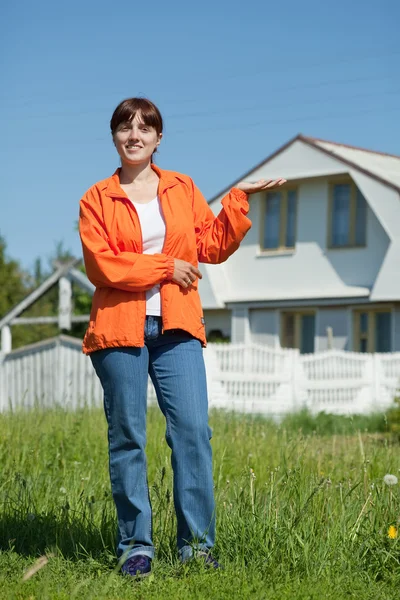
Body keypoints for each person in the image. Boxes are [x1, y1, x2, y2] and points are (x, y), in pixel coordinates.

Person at [79, 97, 285, 578]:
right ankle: (136, 546)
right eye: (125, 128)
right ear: (114, 137)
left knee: (192, 432)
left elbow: (210, 246)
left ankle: (196, 545)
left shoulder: (182, 188)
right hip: (118, 328)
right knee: (128, 436)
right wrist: (166, 266)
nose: (135, 135)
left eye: (144, 128)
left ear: (158, 138)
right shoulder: (96, 198)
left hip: (177, 327)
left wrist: (236, 200)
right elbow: (102, 265)